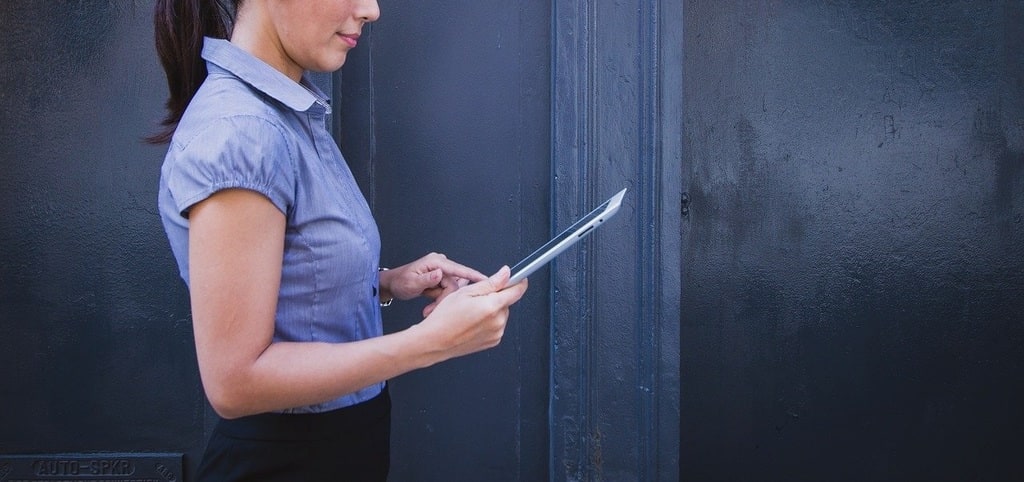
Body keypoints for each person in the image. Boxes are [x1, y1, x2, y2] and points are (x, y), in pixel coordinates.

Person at [148, 0, 529, 480]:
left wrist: (388, 282)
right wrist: (431, 342)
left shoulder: (285, 109)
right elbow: (235, 381)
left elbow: (290, 280)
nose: (371, 9)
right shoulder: (242, 132)